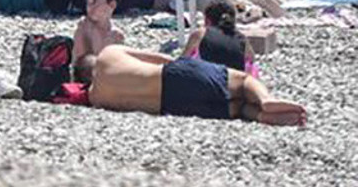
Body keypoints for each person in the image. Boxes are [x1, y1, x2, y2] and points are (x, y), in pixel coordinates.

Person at [88, 45, 305, 126]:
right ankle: (266, 101)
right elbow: (163, 59)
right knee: (243, 81)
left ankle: (261, 116)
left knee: (237, 109)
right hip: (171, 77)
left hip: (170, 106)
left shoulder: (96, 99)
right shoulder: (109, 53)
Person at [182, 0, 257, 74]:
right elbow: (251, 60)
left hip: (208, 82)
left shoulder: (200, 34)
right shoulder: (242, 38)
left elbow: (182, 61)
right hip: (234, 83)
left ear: (207, 20)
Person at [73, 0, 126, 65]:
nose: (90, 7)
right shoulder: (84, 27)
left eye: (94, 2)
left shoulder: (116, 35)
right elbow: (80, 61)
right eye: (88, 3)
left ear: (112, 4)